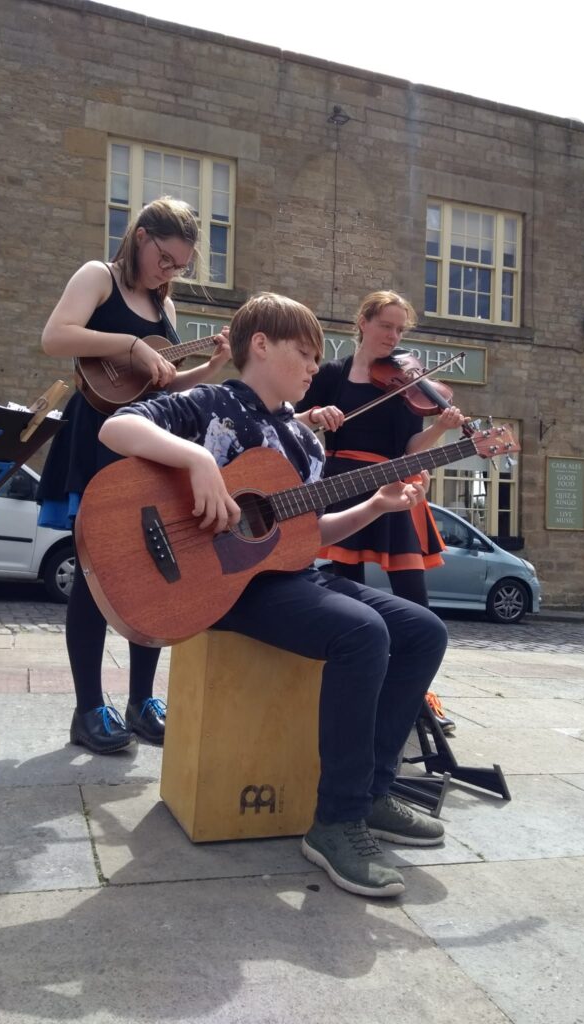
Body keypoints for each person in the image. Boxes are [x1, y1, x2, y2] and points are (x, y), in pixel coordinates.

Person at [98, 292, 449, 899]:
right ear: (260, 345)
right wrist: (196, 459)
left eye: (317, 357)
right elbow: (115, 426)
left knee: (423, 631)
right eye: (305, 353)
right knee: (362, 632)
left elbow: (304, 536)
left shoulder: (304, 441)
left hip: (284, 577)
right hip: (224, 586)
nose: (315, 367)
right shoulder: (213, 403)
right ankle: (335, 822)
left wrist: (374, 506)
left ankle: (370, 792)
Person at [37, 197, 231, 755]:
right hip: (95, 441)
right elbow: (55, 336)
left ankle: (142, 701)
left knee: (155, 570)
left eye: (179, 267)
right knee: (95, 574)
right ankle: (88, 709)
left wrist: (209, 369)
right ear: (141, 236)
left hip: (145, 448)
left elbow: (157, 388)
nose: (169, 272)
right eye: (164, 258)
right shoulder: (98, 276)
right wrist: (129, 344)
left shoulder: (163, 304)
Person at [295, 290, 463, 734]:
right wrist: (317, 414)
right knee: (348, 594)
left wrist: (439, 429)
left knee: (415, 598)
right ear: (363, 323)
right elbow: (293, 421)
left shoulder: (407, 382)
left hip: (391, 483)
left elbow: (410, 448)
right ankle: (358, 687)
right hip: (340, 485)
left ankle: (418, 695)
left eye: (400, 329)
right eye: (386, 325)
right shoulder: (331, 374)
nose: (393, 336)